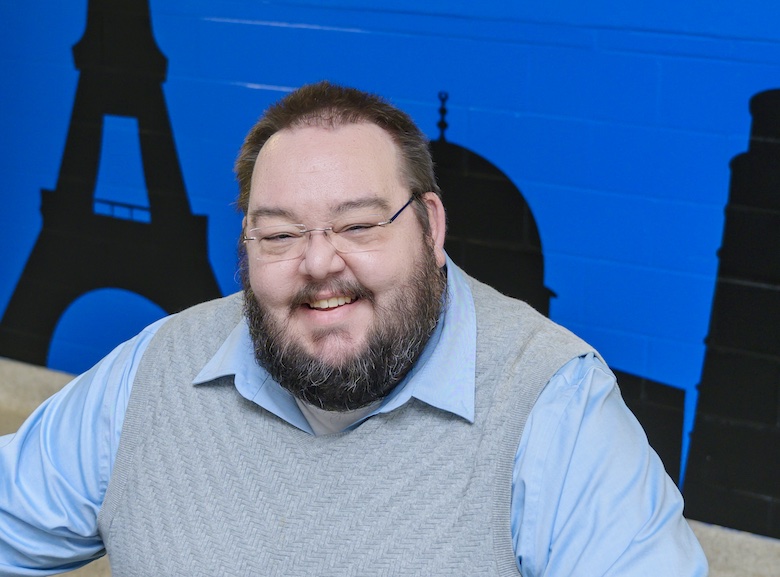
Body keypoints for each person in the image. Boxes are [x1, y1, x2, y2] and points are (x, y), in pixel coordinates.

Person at [0, 81, 707, 576]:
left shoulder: (557, 406)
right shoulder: (153, 369)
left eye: (360, 225)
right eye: (280, 234)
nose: (319, 264)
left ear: (431, 228)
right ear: (245, 244)